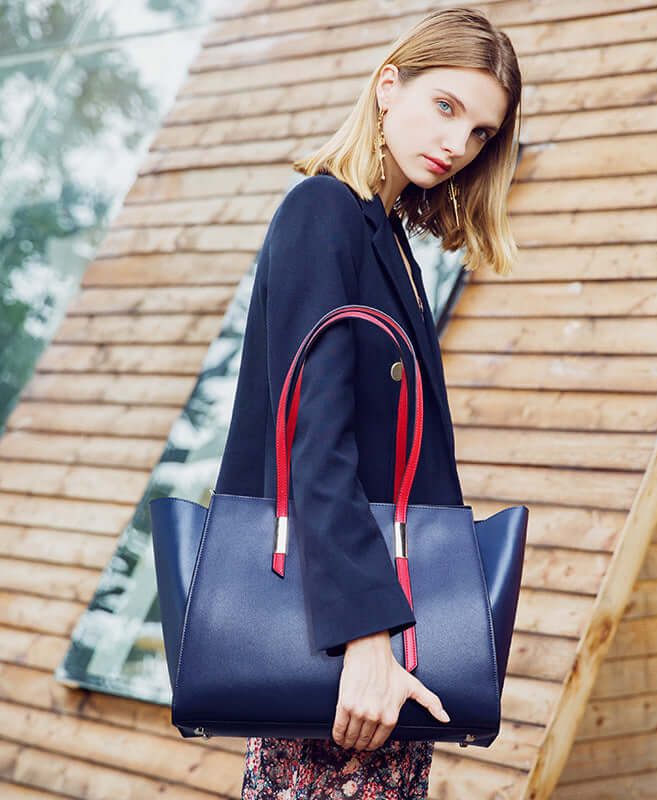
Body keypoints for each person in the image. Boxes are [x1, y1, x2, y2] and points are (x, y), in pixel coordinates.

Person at [214, 6, 521, 799]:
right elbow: (314, 439)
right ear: (390, 86)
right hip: (352, 650)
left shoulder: (391, 246)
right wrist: (365, 639)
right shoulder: (322, 213)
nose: (457, 144)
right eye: (446, 106)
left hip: (387, 648)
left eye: (481, 132)